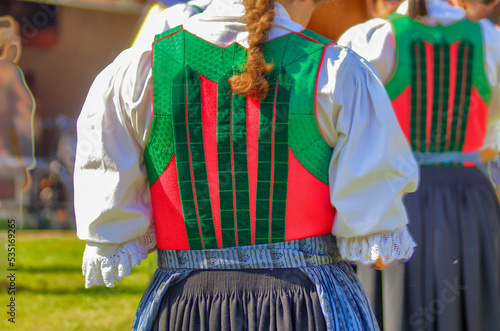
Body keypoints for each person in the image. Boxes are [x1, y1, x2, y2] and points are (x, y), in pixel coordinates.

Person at [74, 0, 420, 329]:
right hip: (306, 307)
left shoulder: (139, 72)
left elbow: (113, 214)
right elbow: (375, 238)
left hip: (187, 309)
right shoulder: (337, 72)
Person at [338, 0, 500, 330]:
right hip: (470, 201)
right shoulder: (488, 38)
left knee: (399, 310)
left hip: (397, 198)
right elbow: (493, 124)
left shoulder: (372, 38)